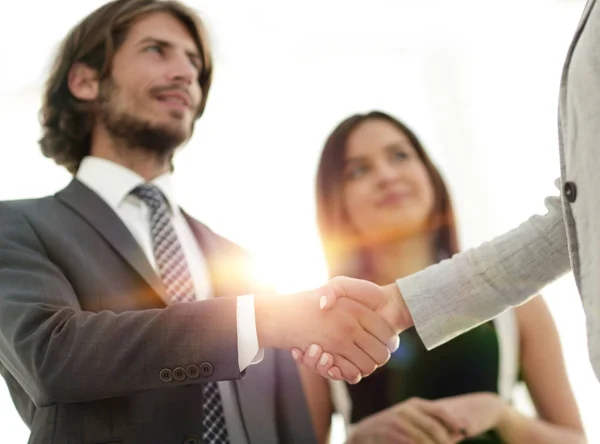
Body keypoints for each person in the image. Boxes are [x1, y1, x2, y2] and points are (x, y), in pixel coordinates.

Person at [0, 1, 406, 442]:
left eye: (194, 62)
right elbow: (50, 358)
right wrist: (257, 321)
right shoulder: (18, 226)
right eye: (157, 50)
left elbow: (290, 426)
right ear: (85, 81)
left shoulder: (244, 265)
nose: (185, 73)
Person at [296, 111, 585, 443]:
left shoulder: (517, 303)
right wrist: (359, 437)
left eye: (400, 155)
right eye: (358, 170)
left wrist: (502, 416)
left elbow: (576, 439)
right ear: (335, 200)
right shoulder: (321, 326)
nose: (387, 175)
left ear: (429, 173)